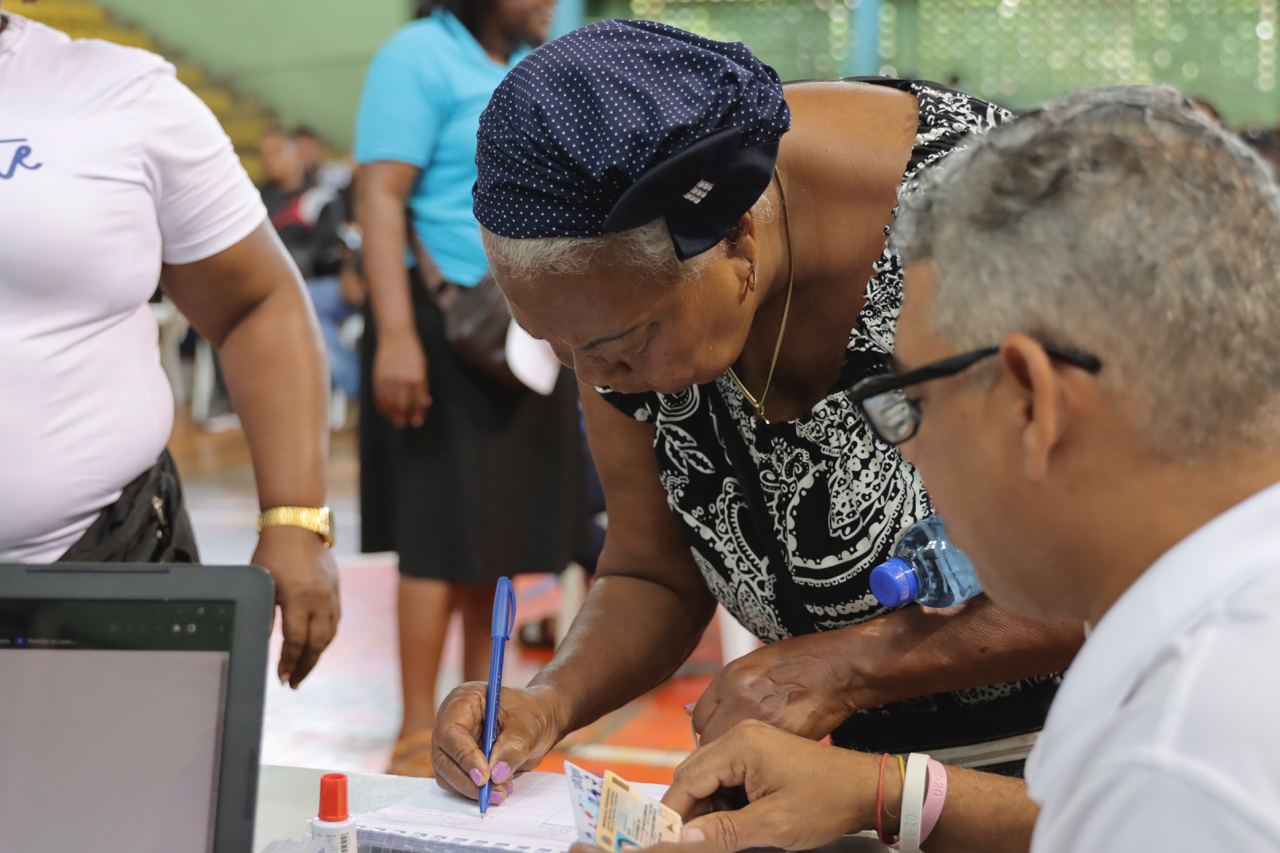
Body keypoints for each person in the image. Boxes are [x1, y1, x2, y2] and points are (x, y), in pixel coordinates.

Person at [573, 85, 1280, 853]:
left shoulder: (1181, 751)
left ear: (1031, 403)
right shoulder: (1215, 646)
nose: (904, 448)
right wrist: (889, 794)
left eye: (908, 401)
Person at [432, 20, 1083, 795]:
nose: (598, 377)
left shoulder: (999, 224)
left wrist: (849, 665)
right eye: (556, 344)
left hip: (1089, 765)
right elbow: (652, 570)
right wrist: (550, 698)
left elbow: (1149, 549)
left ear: (738, 234)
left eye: (618, 343)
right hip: (845, 787)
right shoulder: (611, 286)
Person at [0, 5, 339, 687]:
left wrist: (297, 519)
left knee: (111, 795)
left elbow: (257, 303)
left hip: (97, 567)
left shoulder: (120, 96)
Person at [353, 0, 576, 778]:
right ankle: (415, 734)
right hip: (442, 327)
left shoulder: (523, 62)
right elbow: (380, 196)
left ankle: (474, 714)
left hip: (520, 330)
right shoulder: (417, 57)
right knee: (435, 535)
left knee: (496, 536)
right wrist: (398, 337)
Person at [258, 128, 360, 400]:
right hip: (270, 284)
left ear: (295, 155)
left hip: (318, 282)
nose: (270, 160)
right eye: (264, 155)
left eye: (277, 152)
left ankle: (357, 388)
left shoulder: (319, 196)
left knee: (305, 303)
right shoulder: (256, 198)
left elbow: (331, 249)